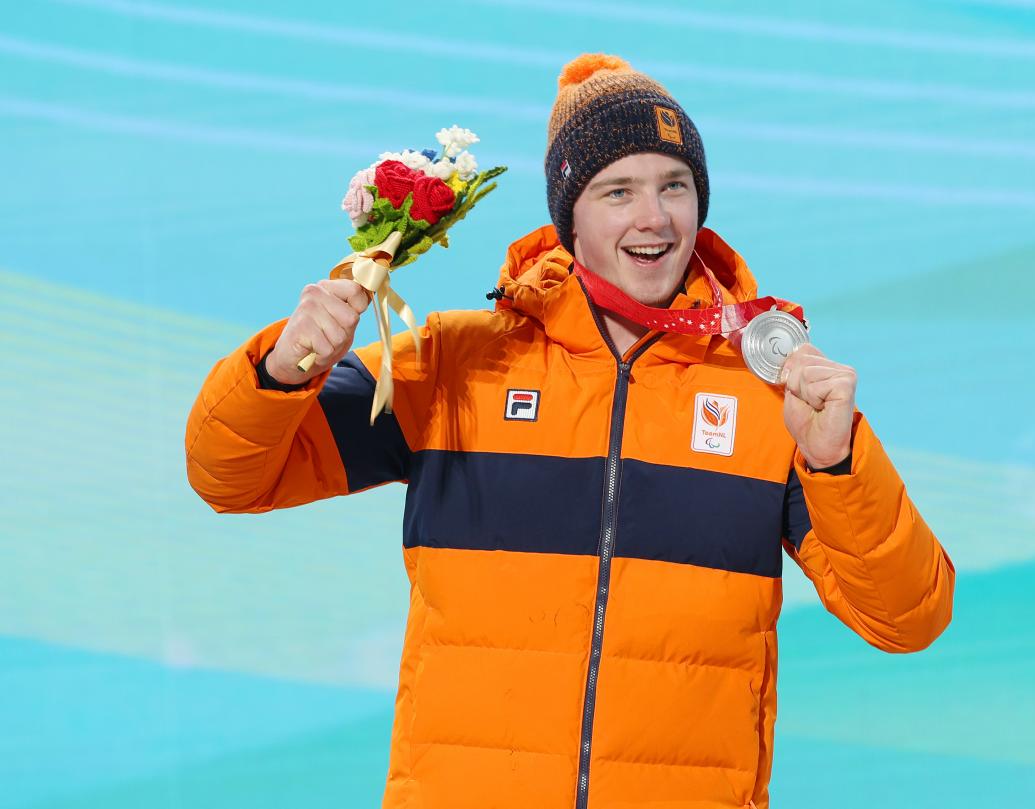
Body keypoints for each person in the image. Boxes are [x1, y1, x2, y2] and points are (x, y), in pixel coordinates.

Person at [185, 53, 954, 809]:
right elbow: (230, 475)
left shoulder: (773, 393)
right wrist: (287, 368)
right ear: (569, 216)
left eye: (674, 187)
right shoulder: (453, 366)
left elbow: (909, 617)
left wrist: (838, 461)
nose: (653, 218)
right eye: (618, 191)